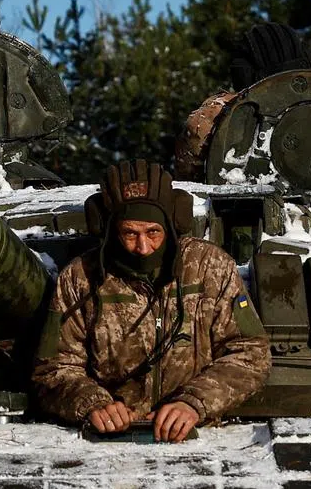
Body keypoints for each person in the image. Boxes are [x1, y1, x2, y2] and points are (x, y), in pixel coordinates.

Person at [32, 160, 271, 442]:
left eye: (153, 232)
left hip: (199, 433)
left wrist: (194, 402)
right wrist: (92, 403)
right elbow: (53, 368)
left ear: (171, 225)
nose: (143, 247)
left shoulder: (210, 268)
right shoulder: (80, 278)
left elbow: (250, 353)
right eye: (130, 233)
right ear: (110, 230)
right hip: (110, 438)